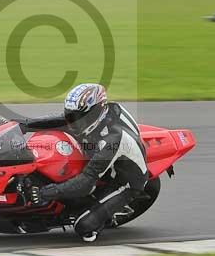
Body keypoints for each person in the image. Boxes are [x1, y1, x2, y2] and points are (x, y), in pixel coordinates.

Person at [12, 83, 148, 242]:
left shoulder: (111, 140)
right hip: (106, 155)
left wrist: (46, 193)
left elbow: (85, 183)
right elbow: (61, 121)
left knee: (83, 227)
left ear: (96, 113)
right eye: (71, 116)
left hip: (124, 181)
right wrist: (23, 124)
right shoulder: (96, 114)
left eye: (77, 118)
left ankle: (105, 217)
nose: (72, 122)